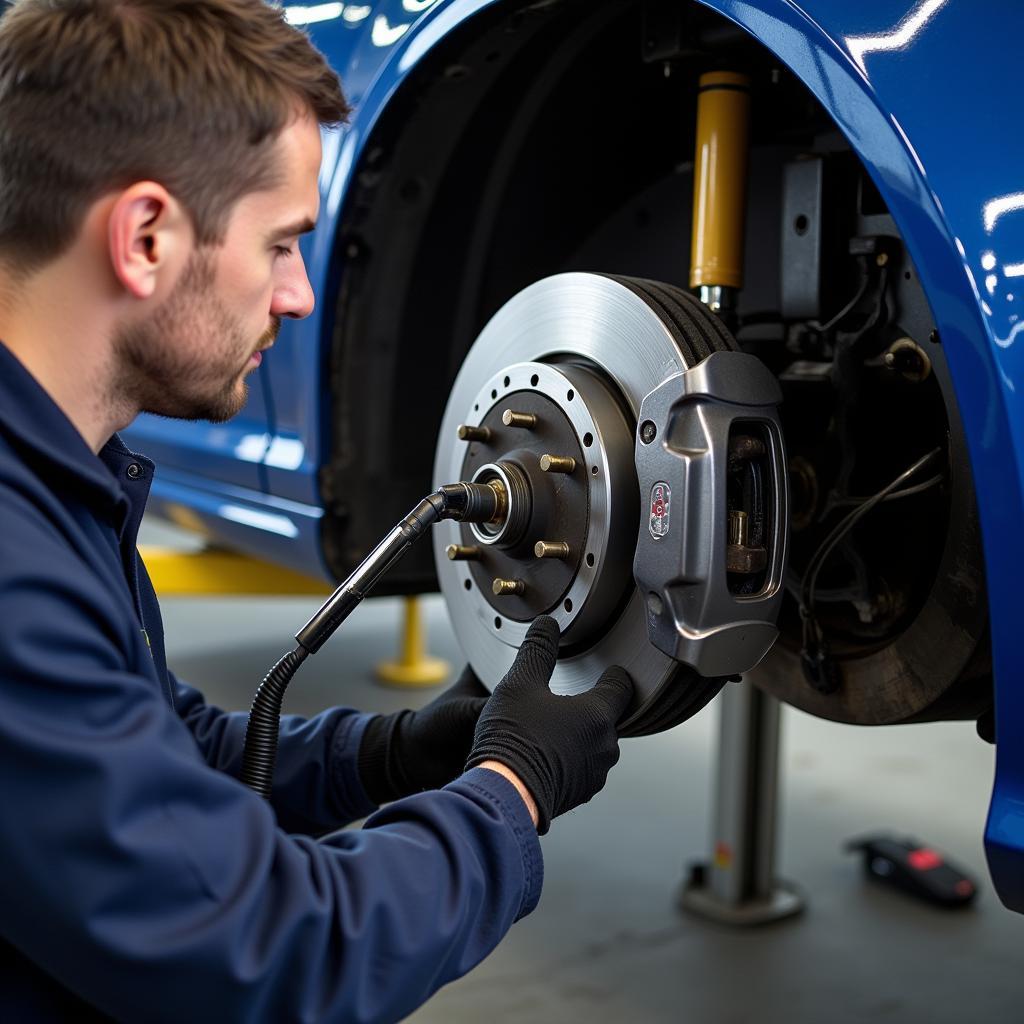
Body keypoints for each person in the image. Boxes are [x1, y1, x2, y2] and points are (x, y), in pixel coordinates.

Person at [0, 1, 635, 1020]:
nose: (298, 296)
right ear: (147, 236)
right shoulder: (14, 564)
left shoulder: (57, 478)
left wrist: (385, 754)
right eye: (284, 244)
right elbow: (269, 952)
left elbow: (156, 749)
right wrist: (511, 791)